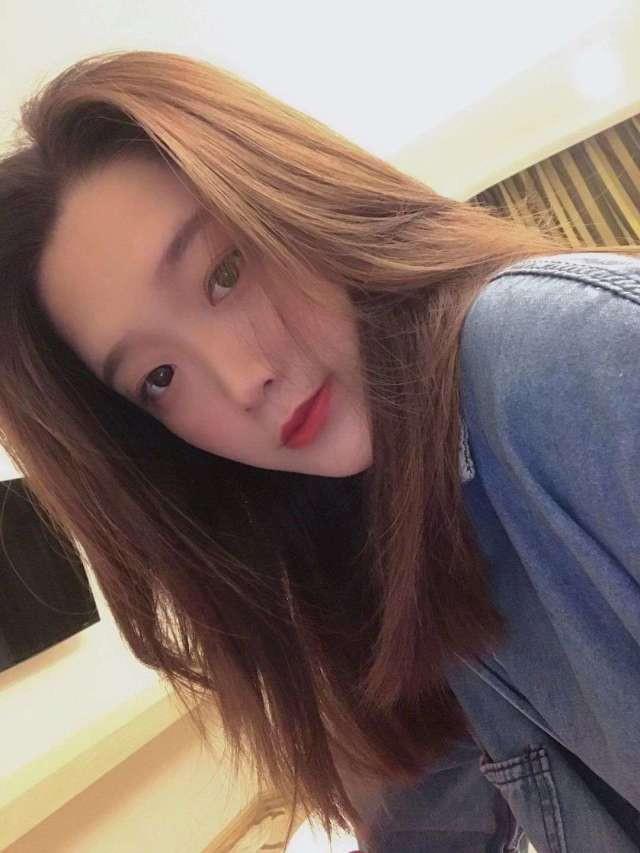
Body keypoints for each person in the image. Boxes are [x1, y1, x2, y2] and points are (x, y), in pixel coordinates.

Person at [0, 49, 638, 852]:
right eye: (159, 377)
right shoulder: (352, 526)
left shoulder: (548, 361)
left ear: (292, 196)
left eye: (225, 271)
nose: (243, 380)